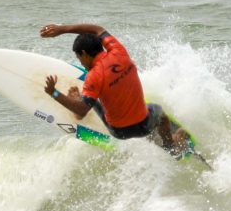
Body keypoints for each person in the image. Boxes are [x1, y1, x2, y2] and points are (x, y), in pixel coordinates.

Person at [39, 23, 188, 155]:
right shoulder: (118, 51)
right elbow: (97, 29)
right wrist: (62, 29)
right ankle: (171, 147)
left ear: (84, 54)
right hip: (144, 124)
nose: (81, 63)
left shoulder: (94, 76)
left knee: (90, 99)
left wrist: (54, 92)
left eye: (79, 58)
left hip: (119, 131)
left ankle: (78, 99)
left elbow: (82, 109)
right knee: (159, 113)